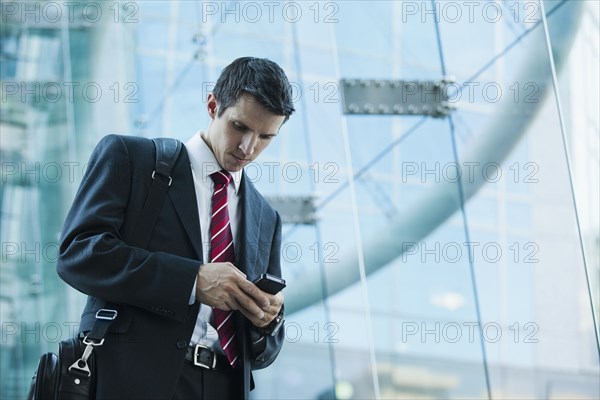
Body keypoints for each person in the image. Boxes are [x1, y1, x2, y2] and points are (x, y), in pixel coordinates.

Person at [57, 57, 295, 399]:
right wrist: (192, 280)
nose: (248, 148)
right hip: (131, 379)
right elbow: (78, 253)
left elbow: (263, 353)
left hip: (221, 386)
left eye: (265, 137)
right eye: (240, 127)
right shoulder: (132, 159)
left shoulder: (265, 217)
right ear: (213, 105)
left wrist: (268, 320)